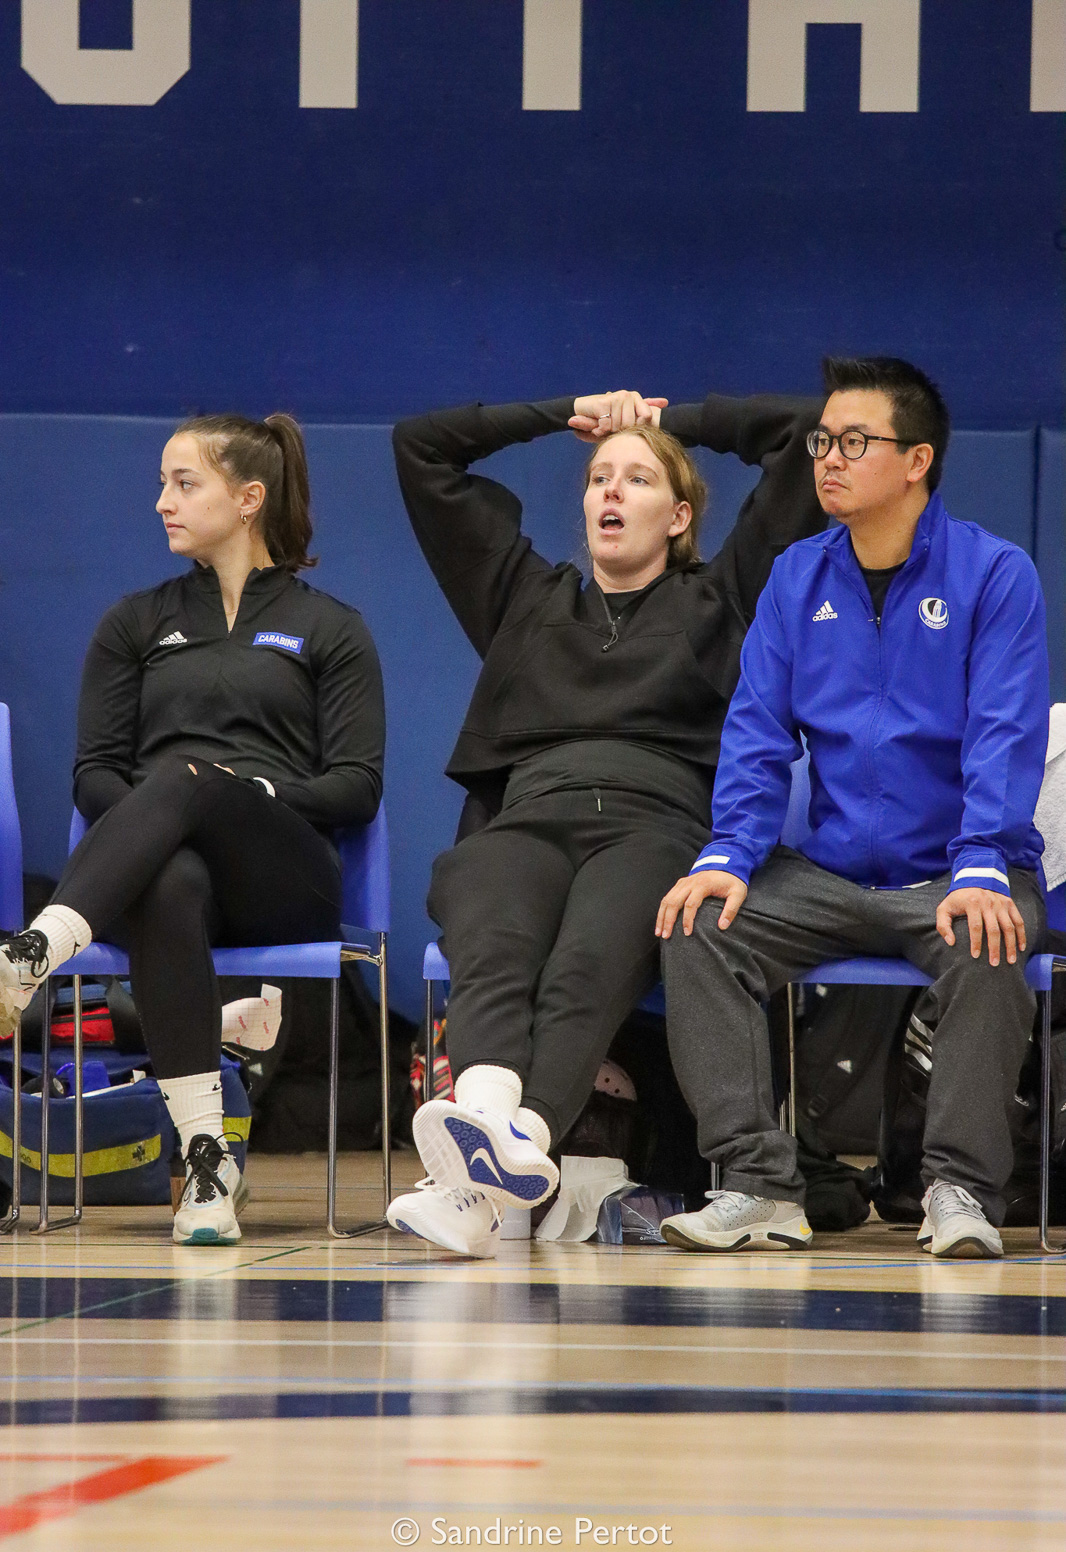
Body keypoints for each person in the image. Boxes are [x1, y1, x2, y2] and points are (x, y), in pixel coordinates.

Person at [387, 385, 827, 1256]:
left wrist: (670, 423)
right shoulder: (523, 596)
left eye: (636, 478)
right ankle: (496, 1145)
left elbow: (801, 436)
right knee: (492, 937)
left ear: (680, 516)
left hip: (653, 824)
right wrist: (558, 413)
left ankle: (478, 1186)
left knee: (583, 969)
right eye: (597, 478)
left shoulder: (725, 600)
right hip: (530, 815)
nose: (610, 492)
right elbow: (420, 444)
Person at [657, 356, 1048, 1260]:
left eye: (853, 441)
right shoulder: (798, 577)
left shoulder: (995, 575)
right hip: (829, 873)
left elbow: (1004, 729)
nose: (827, 458)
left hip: (957, 867)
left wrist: (985, 857)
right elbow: (757, 734)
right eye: (822, 441)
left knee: (990, 937)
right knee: (695, 924)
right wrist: (728, 854)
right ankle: (757, 1185)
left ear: (916, 461)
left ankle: (957, 1189)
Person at [0, 414, 385, 1244]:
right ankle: (209, 1166)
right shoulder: (134, 623)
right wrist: (175, 807)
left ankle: (34, 951)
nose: (162, 503)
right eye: (163, 484)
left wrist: (233, 789)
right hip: (175, 874)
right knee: (169, 880)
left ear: (248, 500)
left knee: (186, 778)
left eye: (185, 484)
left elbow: (355, 785)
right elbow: (96, 776)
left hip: (286, 875)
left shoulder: (331, 628)